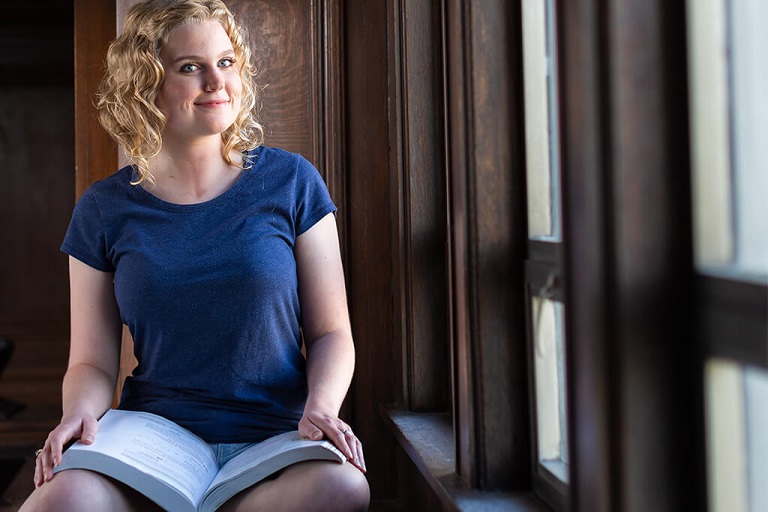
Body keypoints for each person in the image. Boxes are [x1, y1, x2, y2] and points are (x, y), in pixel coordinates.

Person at [20, 0, 369, 510]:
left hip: (276, 436)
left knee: (343, 487)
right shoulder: (103, 208)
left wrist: (322, 405)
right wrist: (77, 413)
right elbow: (92, 361)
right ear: (146, 85)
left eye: (226, 62)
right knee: (64, 497)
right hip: (152, 440)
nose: (216, 81)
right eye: (190, 67)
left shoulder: (292, 181)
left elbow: (331, 333)